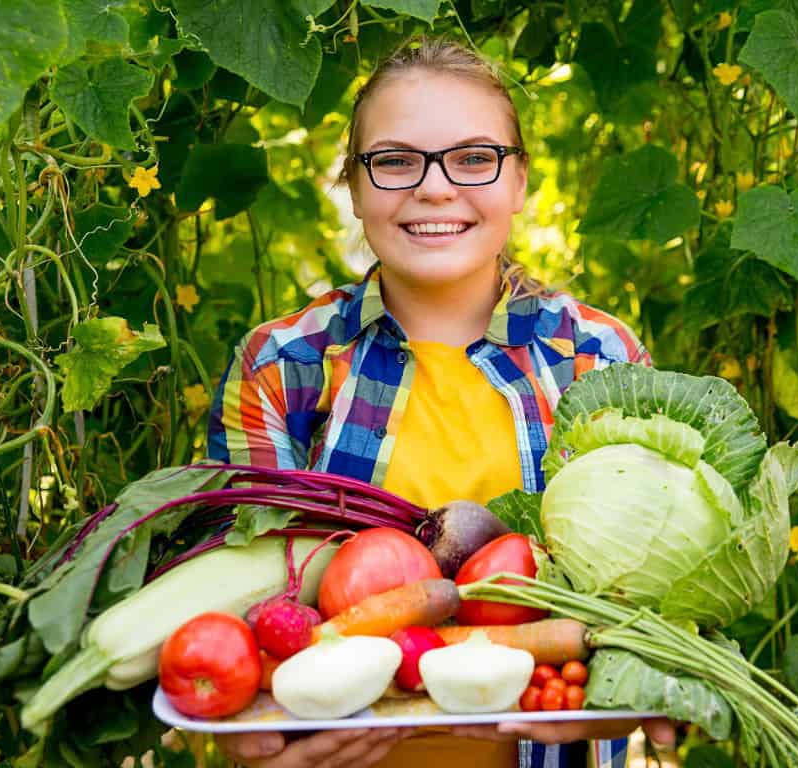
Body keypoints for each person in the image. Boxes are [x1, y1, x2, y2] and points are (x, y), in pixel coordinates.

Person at [206, 37, 673, 768]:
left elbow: (652, 587)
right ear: (354, 187)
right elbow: (236, 601)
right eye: (394, 160)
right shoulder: (283, 367)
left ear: (519, 180)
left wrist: (642, 693)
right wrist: (253, 744)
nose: (433, 188)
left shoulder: (600, 359)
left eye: (474, 158)